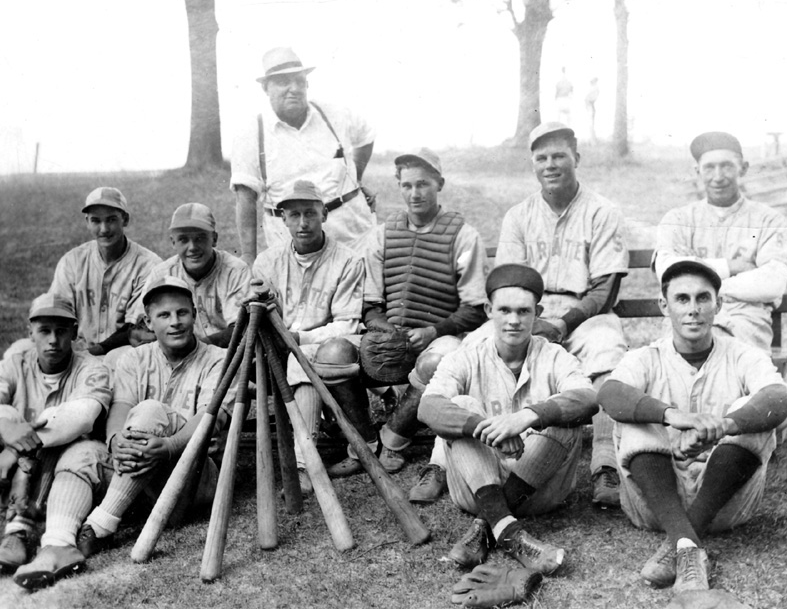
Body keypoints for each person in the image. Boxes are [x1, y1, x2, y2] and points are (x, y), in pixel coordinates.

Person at [597, 259, 787, 593]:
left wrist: (726, 425)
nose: (693, 309)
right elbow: (610, 394)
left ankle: (680, 543)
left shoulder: (742, 354)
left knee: (752, 410)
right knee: (636, 417)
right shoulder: (647, 357)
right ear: (664, 306)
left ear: (718, 304)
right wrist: (673, 415)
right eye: (682, 299)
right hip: (654, 503)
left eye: (703, 298)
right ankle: (687, 544)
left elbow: (780, 397)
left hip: (724, 501)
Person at [417, 264, 599, 575]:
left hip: (541, 491)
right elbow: (428, 408)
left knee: (562, 414)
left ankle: (489, 524)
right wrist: (485, 428)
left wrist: (526, 418)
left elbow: (588, 399)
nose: (513, 320)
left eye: (523, 311)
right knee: (459, 405)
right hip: (475, 487)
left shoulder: (555, 356)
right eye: (504, 310)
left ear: (537, 312)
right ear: (489, 310)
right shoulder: (465, 356)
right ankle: (510, 533)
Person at [495, 121, 629, 508]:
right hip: (530, 310)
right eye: (541, 158)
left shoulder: (602, 211)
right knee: (483, 350)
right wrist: (533, 320)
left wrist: (563, 323)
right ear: (532, 164)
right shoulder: (519, 215)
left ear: (576, 159)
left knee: (608, 353)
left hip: (586, 313)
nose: (550, 164)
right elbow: (507, 281)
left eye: (559, 156)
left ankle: (605, 465)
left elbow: (606, 289)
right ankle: (457, 458)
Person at [0, 293, 112, 589]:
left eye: (62, 330)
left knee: (65, 433)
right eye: (44, 331)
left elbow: (82, 416)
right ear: (30, 332)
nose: (53, 339)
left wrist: (14, 450)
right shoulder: (17, 360)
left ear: (75, 332)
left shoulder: (92, 367)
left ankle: (19, 530)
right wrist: (3, 425)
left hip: (54, 478)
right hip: (18, 477)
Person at [361, 148, 489, 499]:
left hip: (443, 335)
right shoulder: (384, 234)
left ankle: (392, 438)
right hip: (394, 333)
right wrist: (386, 331)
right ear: (398, 187)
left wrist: (433, 331)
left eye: (423, 184)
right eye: (407, 185)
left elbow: (475, 309)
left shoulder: (463, 235)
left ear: (440, 184)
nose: (415, 193)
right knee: (344, 355)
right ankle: (359, 441)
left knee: (437, 362)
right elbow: (370, 306)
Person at [77, 276, 230, 560]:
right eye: (164, 315)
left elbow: (213, 419)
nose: (175, 322)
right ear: (148, 323)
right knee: (84, 452)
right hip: (143, 470)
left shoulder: (219, 359)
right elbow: (120, 408)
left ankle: (101, 524)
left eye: (182, 312)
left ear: (194, 315)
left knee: (150, 410)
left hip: (194, 477)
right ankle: (60, 533)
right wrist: (114, 439)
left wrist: (171, 445)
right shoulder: (133, 359)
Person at [250, 180, 369, 492]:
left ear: (324, 214)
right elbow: (258, 313)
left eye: (310, 214)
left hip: (327, 348)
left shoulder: (348, 260)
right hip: (277, 347)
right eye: (294, 215)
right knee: (293, 360)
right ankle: (304, 457)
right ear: (283, 218)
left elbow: (348, 324)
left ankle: (304, 464)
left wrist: (299, 339)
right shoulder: (267, 261)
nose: (303, 223)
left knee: (305, 360)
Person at [229, 46, 377, 264]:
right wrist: (249, 256)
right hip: (296, 248)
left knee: (366, 296)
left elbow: (366, 137)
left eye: (299, 81)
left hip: (352, 235)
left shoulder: (334, 113)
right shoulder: (251, 133)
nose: (294, 88)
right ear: (266, 88)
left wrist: (357, 178)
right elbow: (245, 198)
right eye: (283, 82)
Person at [655, 131, 787, 352]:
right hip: (686, 318)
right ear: (697, 171)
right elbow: (666, 270)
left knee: (720, 346)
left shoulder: (768, 219)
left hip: (745, 319)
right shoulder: (679, 219)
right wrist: (729, 267)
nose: (718, 176)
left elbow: (773, 282)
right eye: (709, 167)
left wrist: (701, 285)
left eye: (727, 166)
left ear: (744, 168)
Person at [48, 187, 162, 356]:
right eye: (96, 221)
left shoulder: (148, 265)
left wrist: (94, 352)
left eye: (111, 220)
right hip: (78, 352)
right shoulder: (72, 262)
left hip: (125, 354)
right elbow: (57, 314)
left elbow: (135, 329)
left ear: (125, 219)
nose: (104, 229)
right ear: (87, 222)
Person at [127, 203, 251, 349]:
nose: (192, 247)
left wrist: (192, 350)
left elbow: (241, 329)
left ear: (214, 239)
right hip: (176, 355)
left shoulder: (235, 271)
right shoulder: (162, 273)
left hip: (225, 357)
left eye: (200, 238)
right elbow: (142, 327)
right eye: (183, 240)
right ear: (173, 242)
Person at [584, 77, 600, 141]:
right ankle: (592, 139)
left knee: (591, 122)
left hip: (591, 105)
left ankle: (592, 139)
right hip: (589, 105)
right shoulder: (593, 88)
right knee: (590, 122)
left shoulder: (595, 88)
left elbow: (592, 98)